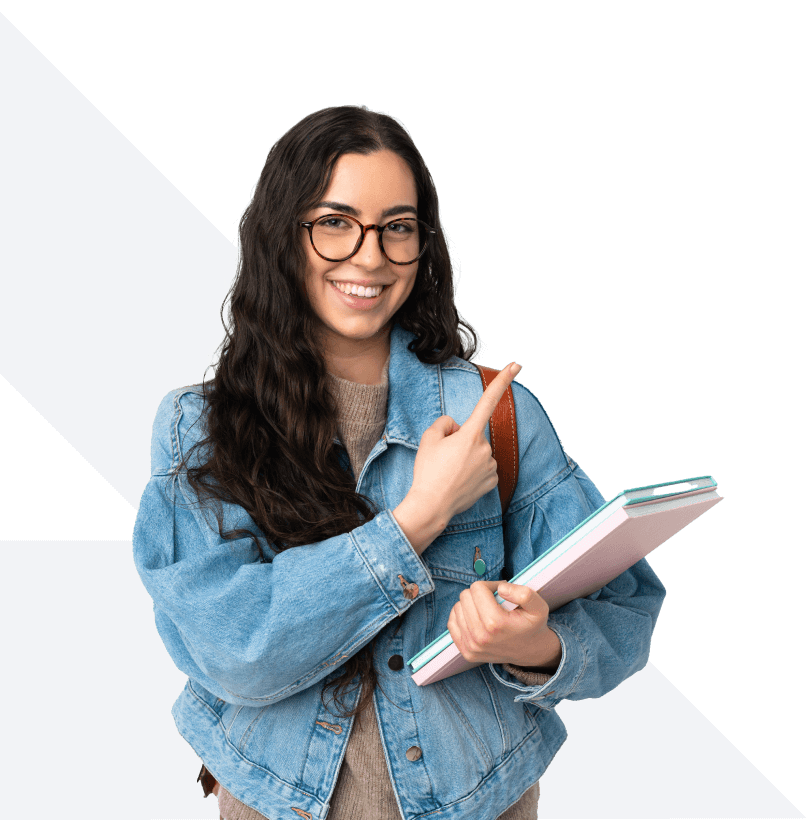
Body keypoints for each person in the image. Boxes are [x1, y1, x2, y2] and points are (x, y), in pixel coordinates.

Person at [132, 105, 667, 820]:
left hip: (482, 802)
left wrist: (536, 643)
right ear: (282, 236)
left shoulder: (496, 416)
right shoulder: (197, 429)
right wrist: (418, 519)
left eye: (398, 227)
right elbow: (233, 648)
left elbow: (625, 611)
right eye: (335, 223)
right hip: (270, 801)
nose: (371, 256)